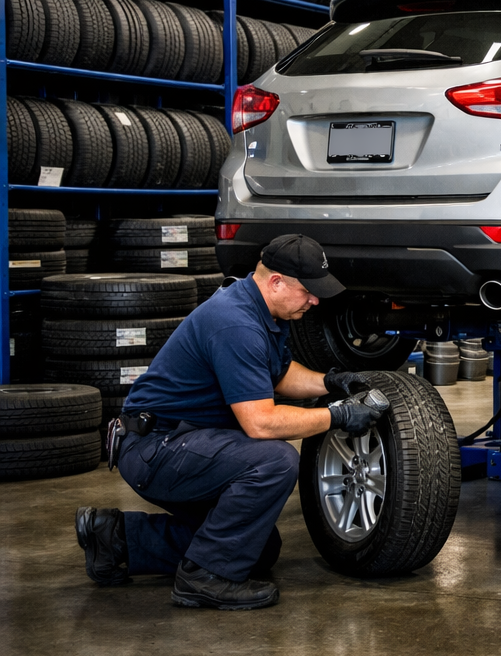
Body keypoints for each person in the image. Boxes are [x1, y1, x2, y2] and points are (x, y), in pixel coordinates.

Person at [74, 234, 386, 610]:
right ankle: (204, 579)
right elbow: (261, 424)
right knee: (275, 460)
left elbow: (277, 374)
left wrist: (329, 381)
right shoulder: (235, 324)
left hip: (183, 442)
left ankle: (115, 538)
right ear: (275, 282)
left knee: (259, 549)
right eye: (308, 291)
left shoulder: (261, 308)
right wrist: (336, 415)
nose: (315, 300)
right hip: (156, 448)